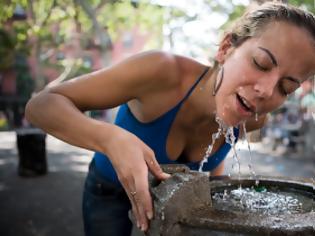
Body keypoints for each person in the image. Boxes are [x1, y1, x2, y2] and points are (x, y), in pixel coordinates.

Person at [25, 2, 315, 236]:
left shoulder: (253, 119)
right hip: (108, 193)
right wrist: (110, 139)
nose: (266, 91)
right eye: (261, 63)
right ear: (226, 48)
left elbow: (214, 158)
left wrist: (215, 192)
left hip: (176, 201)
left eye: (285, 87)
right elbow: (41, 105)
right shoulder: (161, 71)